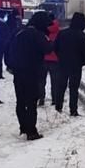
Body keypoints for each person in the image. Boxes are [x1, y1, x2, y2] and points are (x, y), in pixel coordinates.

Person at [8, 12, 50, 140]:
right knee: (31, 101)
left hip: (18, 72)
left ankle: (23, 127)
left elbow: (8, 49)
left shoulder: (18, 32)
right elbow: (47, 49)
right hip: (32, 72)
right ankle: (32, 131)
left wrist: (11, 66)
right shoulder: (38, 35)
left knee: (20, 101)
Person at [54, 12, 85, 116]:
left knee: (60, 86)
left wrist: (60, 58)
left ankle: (58, 106)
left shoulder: (62, 33)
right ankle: (73, 110)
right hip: (76, 66)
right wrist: (81, 62)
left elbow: (55, 48)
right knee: (74, 88)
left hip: (62, 64)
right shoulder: (82, 36)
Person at [43, 13, 61, 107]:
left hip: (44, 59)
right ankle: (54, 99)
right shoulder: (59, 32)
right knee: (55, 81)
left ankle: (41, 98)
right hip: (55, 60)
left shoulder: (44, 30)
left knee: (41, 80)